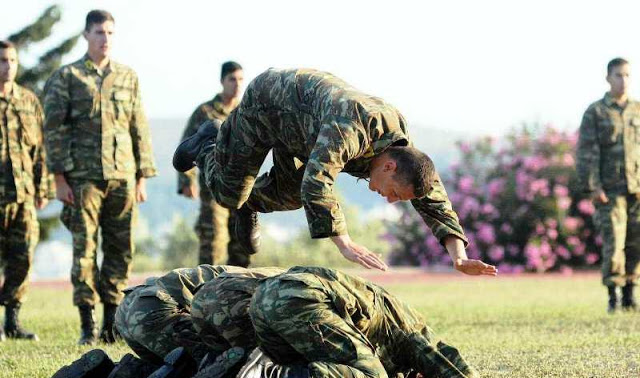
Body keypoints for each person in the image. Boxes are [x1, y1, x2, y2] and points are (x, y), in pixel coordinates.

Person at [174, 68, 496, 276]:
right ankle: (208, 142)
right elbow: (317, 182)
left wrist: (458, 255)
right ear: (389, 166)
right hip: (269, 105)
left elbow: (433, 198)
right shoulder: (352, 126)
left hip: (302, 132)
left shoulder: (403, 150)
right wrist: (345, 242)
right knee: (229, 194)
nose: (391, 201)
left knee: (289, 197)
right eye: (395, 193)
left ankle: (252, 204)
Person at [188, 265, 480, 378]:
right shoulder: (415, 333)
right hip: (299, 297)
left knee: (314, 366)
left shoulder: (404, 362)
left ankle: (196, 372)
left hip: (266, 299)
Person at [43, 10, 157, 345]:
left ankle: (112, 321)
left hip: (122, 176)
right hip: (83, 179)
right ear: (85, 35)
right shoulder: (67, 77)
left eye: (109, 32)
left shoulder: (127, 76)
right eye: (98, 32)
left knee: (120, 249)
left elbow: (139, 127)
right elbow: (54, 130)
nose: (104, 38)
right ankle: (87, 323)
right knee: (85, 250)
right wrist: (59, 179)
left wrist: (142, 177)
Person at [42, 264, 282, 378]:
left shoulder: (267, 273)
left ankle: (109, 371)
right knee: (223, 369)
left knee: (172, 362)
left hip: (130, 308)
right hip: (159, 308)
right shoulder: (283, 285)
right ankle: (143, 377)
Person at [576, 57, 640, 313]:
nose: (623, 80)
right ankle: (613, 295)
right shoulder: (596, 112)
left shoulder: (637, 110)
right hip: (610, 191)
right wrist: (594, 187)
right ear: (608, 78)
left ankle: (629, 293)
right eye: (618, 75)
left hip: (636, 188)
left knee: (636, 242)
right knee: (615, 242)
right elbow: (586, 153)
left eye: (626, 75)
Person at [0, 40, 53, 342]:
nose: (8, 67)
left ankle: (12, 320)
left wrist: (42, 187)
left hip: (23, 196)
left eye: (12, 60)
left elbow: (40, 150)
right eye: (3, 61)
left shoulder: (29, 101)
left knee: (23, 258)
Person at [177, 61, 251, 267]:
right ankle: (207, 289)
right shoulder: (205, 112)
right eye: (232, 79)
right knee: (213, 241)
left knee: (241, 241)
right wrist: (186, 180)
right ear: (222, 81)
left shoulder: (247, 111)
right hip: (213, 186)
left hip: (243, 187)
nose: (237, 85)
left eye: (240, 80)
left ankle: (239, 290)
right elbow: (187, 145)